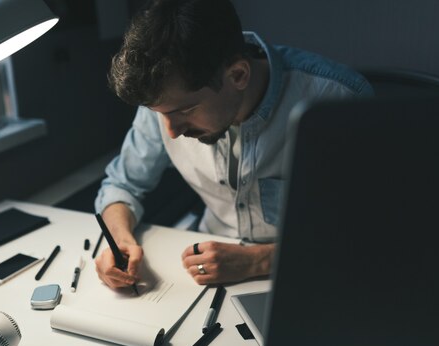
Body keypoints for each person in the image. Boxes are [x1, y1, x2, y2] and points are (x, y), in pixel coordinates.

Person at [94, 0, 373, 290]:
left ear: (238, 74)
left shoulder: (339, 100)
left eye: (186, 111)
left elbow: (371, 227)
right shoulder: (166, 100)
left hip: (309, 274)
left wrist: (257, 261)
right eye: (160, 114)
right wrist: (119, 239)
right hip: (204, 271)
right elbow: (122, 185)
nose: (171, 132)